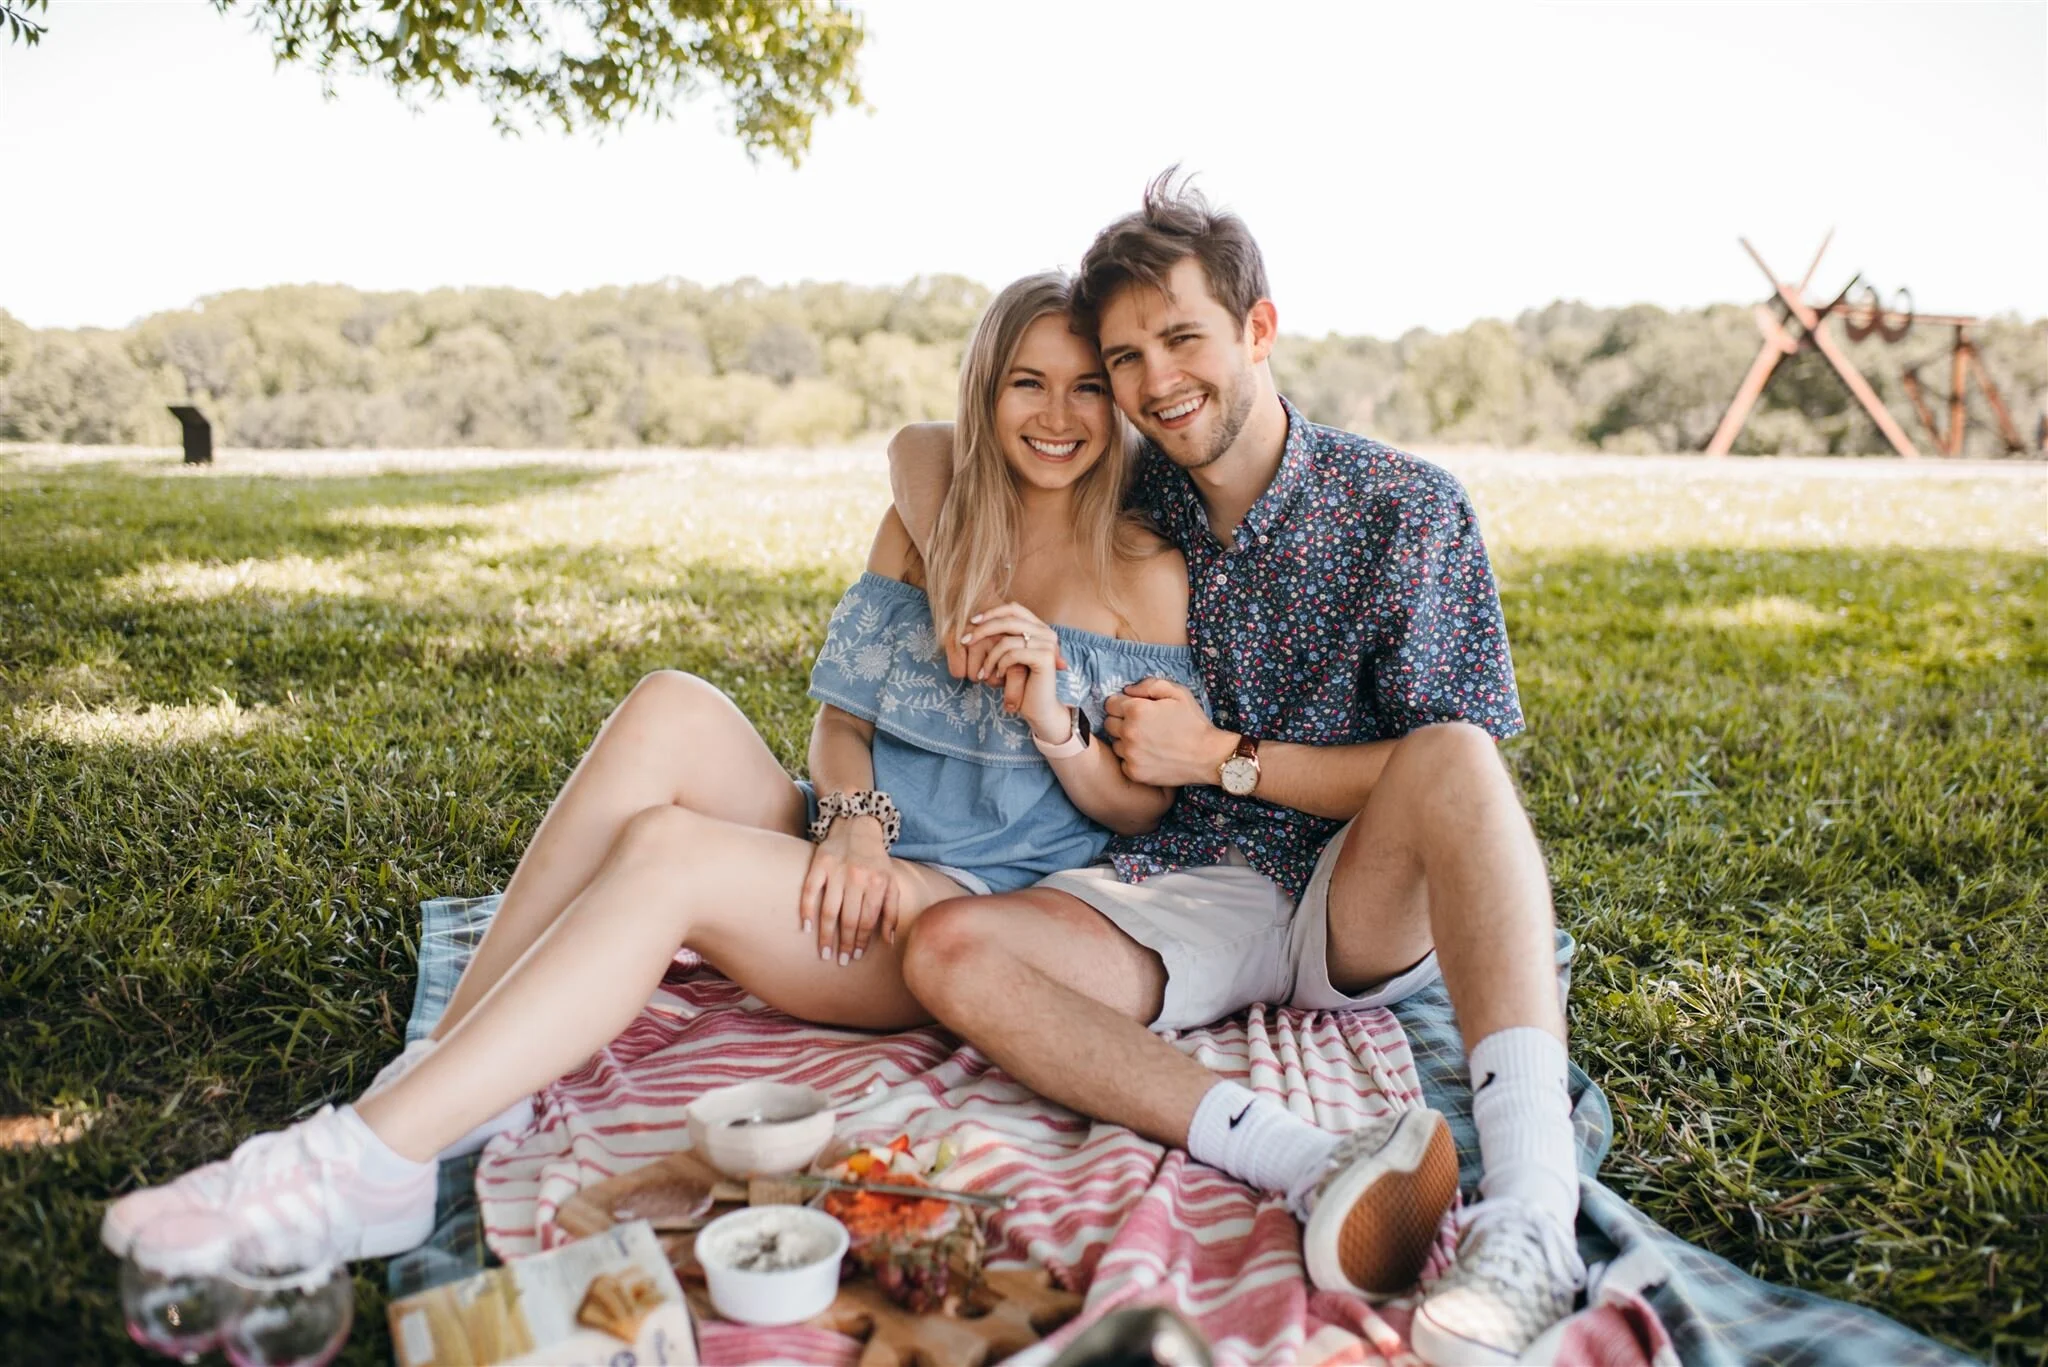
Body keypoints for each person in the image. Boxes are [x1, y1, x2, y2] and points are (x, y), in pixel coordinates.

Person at [97, 272, 1448, 1285]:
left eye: (1087, 385)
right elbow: (837, 716)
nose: (1057, 414)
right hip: (857, 848)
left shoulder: (1149, 568)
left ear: (1120, 400)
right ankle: (451, 1070)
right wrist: (848, 818)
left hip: (957, 897)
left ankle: (370, 1162)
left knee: (670, 853)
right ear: (988, 391)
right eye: (1024, 383)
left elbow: (1137, 806)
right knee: (673, 705)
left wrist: (1050, 712)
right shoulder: (934, 509)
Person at [886, 175, 1583, 1366]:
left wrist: (1226, 758)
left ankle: (1530, 1222)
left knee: (1456, 757)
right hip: (1168, 876)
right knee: (948, 948)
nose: (1156, 381)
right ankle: (1309, 1163)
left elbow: (1443, 789)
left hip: (1348, 894)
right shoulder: (1130, 482)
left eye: (1181, 337)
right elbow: (932, 450)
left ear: (1258, 330)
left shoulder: (1403, 510)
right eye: (1126, 358)